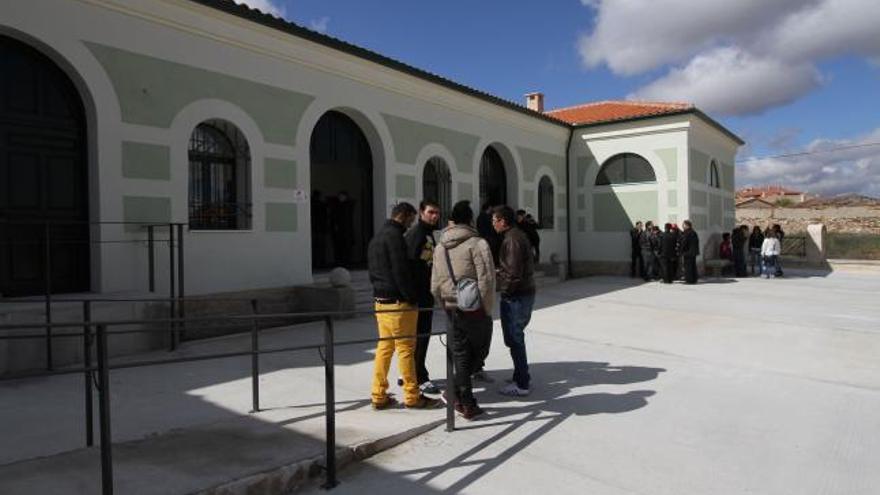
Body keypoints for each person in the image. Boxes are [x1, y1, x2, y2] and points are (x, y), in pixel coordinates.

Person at [367, 202, 440, 410]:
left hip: (380, 302)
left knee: (384, 348)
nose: (411, 224)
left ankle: (378, 395)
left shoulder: (377, 237)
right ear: (405, 216)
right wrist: (411, 298)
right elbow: (401, 273)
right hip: (399, 304)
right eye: (410, 219)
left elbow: (372, 272)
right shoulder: (396, 238)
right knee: (406, 349)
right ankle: (412, 395)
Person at [431, 200, 495, 420]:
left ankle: (461, 398)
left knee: (460, 353)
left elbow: (435, 280)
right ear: (470, 219)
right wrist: (487, 307)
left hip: (451, 306)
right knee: (479, 352)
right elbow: (486, 278)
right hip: (474, 308)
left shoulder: (439, 247)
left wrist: (442, 301)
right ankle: (463, 399)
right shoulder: (478, 243)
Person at [492, 205, 536, 396]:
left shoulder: (512, 240)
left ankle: (522, 384)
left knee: (515, 338)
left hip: (516, 296)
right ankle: (521, 373)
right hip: (521, 293)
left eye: (494, 220)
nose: (493, 224)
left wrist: (505, 291)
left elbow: (513, 274)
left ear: (502, 221)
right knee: (515, 337)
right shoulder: (515, 236)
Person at [404, 200, 441, 395]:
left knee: (420, 336)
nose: (435, 216)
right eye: (431, 212)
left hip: (425, 293)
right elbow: (409, 266)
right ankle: (420, 377)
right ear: (421, 212)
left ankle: (411, 371)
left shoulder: (427, 233)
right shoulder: (416, 234)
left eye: (437, 213)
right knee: (420, 336)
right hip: (418, 296)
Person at [311, 190, 328, 268]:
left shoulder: (311, 204)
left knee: (314, 247)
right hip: (321, 229)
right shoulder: (322, 205)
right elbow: (325, 217)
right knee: (321, 247)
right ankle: (321, 262)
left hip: (314, 229)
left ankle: (315, 262)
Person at [680, 220, 700, 284]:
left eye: (683, 225)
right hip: (693, 252)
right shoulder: (693, 232)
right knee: (693, 266)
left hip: (688, 252)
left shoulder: (687, 232)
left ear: (687, 225)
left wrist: (681, 250)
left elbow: (684, 242)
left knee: (688, 267)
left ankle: (689, 280)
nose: (683, 226)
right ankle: (694, 279)